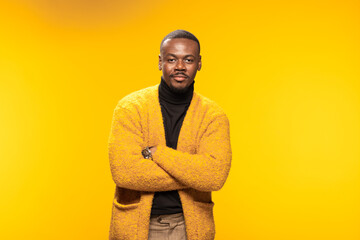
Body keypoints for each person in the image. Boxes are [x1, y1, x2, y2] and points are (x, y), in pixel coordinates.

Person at [108, 30, 232, 240]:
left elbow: (215, 176)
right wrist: (195, 174)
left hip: (191, 226)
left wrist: (158, 154)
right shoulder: (130, 108)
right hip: (138, 226)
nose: (180, 66)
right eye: (172, 59)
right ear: (160, 62)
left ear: (199, 63)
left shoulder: (213, 115)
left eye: (189, 59)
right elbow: (125, 172)